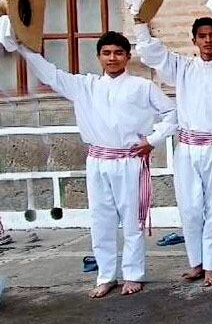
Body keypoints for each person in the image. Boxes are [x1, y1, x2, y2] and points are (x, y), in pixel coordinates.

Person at [15, 33, 177, 298]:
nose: (112, 58)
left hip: (129, 159)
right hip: (98, 161)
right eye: (107, 53)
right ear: (99, 57)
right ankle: (106, 276)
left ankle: (133, 275)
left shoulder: (142, 86)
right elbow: (50, 74)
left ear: (127, 56)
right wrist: (23, 47)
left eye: (118, 53)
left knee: (132, 220)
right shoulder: (84, 86)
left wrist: (153, 139)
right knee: (101, 220)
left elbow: (172, 113)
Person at [133, 15, 212, 287]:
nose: (208, 41)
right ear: (194, 40)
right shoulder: (183, 67)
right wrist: (140, 23)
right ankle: (196, 263)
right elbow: (153, 53)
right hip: (188, 147)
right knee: (189, 207)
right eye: (202, 36)